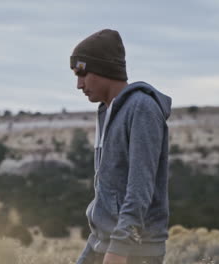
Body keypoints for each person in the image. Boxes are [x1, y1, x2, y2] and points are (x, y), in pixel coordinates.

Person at [69, 29, 172, 264]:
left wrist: (119, 249)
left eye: (83, 74)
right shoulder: (107, 112)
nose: (79, 84)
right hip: (104, 244)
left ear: (104, 69)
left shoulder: (142, 108)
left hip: (135, 252)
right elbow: (108, 189)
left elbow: (139, 188)